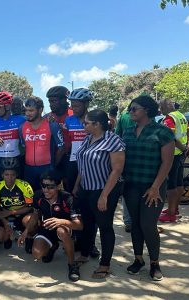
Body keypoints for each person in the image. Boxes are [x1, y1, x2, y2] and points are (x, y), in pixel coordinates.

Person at [122, 95, 174, 281]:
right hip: (131, 186)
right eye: (130, 109)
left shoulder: (163, 132)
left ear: (146, 110)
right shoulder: (127, 131)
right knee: (134, 224)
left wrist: (155, 187)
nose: (131, 112)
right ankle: (138, 259)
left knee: (148, 225)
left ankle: (154, 263)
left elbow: (167, 162)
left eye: (134, 108)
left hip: (154, 186)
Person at [73, 109, 125, 278]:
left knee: (105, 226)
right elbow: (83, 164)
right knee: (88, 224)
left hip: (104, 190)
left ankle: (105, 264)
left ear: (97, 125)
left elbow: (117, 170)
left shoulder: (113, 140)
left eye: (87, 122)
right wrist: (76, 186)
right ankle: (85, 253)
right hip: (86, 189)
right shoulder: (88, 139)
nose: (84, 125)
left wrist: (104, 195)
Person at [18, 171, 82, 282]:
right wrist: (26, 231)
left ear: (58, 186)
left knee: (62, 231)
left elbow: (79, 225)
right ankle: (53, 246)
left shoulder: (68, 198)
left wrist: (61, 221)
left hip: (64, 229)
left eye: (50, 187)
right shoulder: (38, 195)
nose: (46, 190)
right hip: (46, 228)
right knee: (37, 254)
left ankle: (72, 264)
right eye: (43, 186)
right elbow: (35, 214)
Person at [65, 88, 100, 258]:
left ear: (86, 104)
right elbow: (66, 144)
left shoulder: (94, 119)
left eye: (77, 105)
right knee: (75, 205)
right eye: (72, 104)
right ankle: (77, 238)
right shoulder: (68, 120)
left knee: (91, 209)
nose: (74, 107)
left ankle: (91, 243)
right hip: (73, 165)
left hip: (92, 165)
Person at [20, 96, 64, 191]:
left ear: (40, 110)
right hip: (29, 169)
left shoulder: (52, 125)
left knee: (48, 197)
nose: (28, 113)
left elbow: (61, 148)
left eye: (31, 111)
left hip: (47, 168)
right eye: (26, 110)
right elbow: (23, 147)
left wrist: (53, 165)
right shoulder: (22, 127)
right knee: (31, 198)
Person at [0, 158, 34, 249]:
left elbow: (30, 207)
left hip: (21, 214)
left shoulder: (25, 186)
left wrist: (12, 212)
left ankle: (29, 237)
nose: (10, 178)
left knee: (30, 219)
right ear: (2, 175)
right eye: (7, 175)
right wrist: (5, 221)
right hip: (5, 215)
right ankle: (8, 236)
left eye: (13, 175)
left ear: (17, 175)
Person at [158, 99, 189, 223]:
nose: (160, 110)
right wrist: (186, 148)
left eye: (161, 107)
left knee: (171, 184)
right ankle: (175, 209)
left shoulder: (169, 118)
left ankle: (171, 213)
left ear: (167, 106)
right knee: (179, 182)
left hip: (173, 153)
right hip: (181, 153)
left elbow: (169, 136)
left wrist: (182, 148)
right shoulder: (181, 115)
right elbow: (187, 131)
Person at [43, 86, 73, 184]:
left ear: (64, 100)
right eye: (49, 101)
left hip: (71, 159)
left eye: (54, 101)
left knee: (70, 187)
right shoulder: (47, 117)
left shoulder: (73, 115)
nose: (51, 105)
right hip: (53, 159)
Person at [115, 108, 136, 232]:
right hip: (133, 160)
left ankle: (128, 221)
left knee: (127, 192)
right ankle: (133, 221)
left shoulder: (123, 116)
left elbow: (118, 135)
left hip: (126, 157)